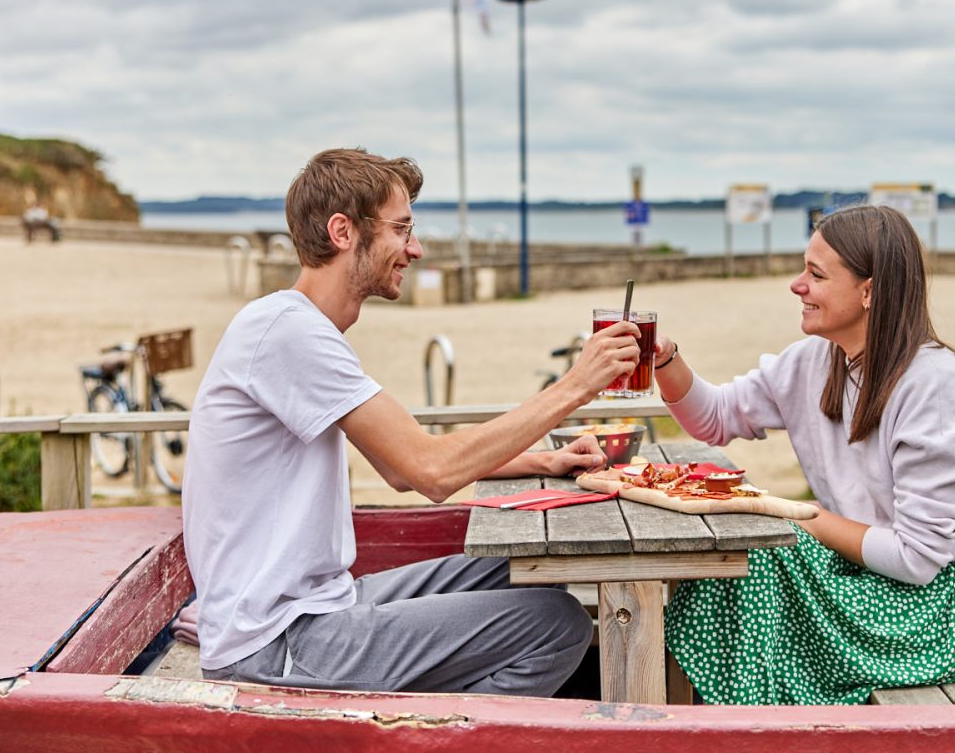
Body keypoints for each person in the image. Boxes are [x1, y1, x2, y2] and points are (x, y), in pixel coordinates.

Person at [182, 147, 643, 696]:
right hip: (277, 640)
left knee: (525, 566)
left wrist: (545, 460)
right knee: (555, 624)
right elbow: (430, 472)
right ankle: (424, 733)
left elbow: (400, 466)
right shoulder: (288, 332)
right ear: (343, 231)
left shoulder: (298, 326)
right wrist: (575, 385)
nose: (415, 249)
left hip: (317, 605)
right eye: (402, 229)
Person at [653, 204, 955, 705]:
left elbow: (917, 560)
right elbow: (714, 418)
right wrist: (665, 357)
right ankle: (745, 719)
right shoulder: (814, 362)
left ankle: (748, 722)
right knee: (742, 554)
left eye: (815, 273)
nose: (796, 284)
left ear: (869, 291)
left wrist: (793, 514)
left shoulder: (932, 388)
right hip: (869, 582)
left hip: (945, 610)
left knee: (759, 553)